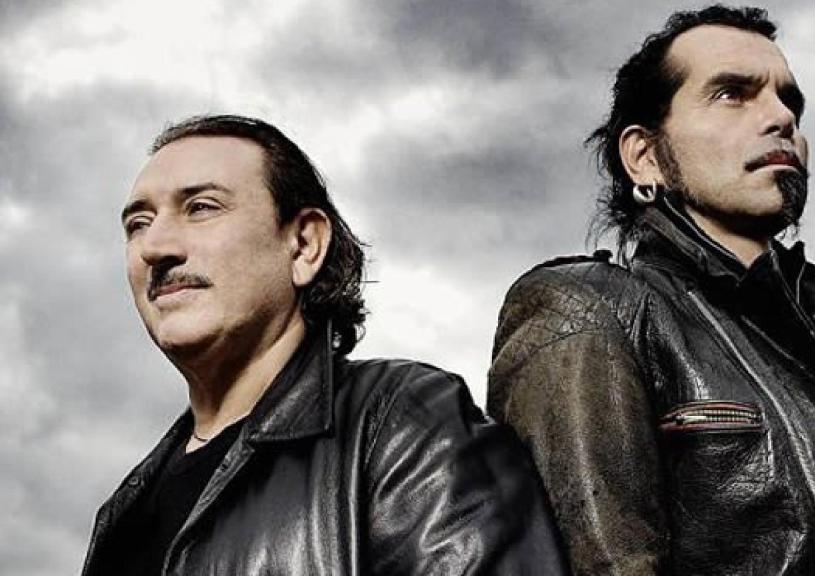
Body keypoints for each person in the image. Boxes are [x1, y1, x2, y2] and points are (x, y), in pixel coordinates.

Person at [487, 5, 815, 575]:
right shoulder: (590, 309)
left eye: (790, 102)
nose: (781, 117)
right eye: (732, 94)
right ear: (644, 156)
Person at [82, 114, 567, 575]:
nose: (155, 247)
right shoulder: (122, 512)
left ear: (304, 245)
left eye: (201, 208)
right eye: (138, 224)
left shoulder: (403, 422)